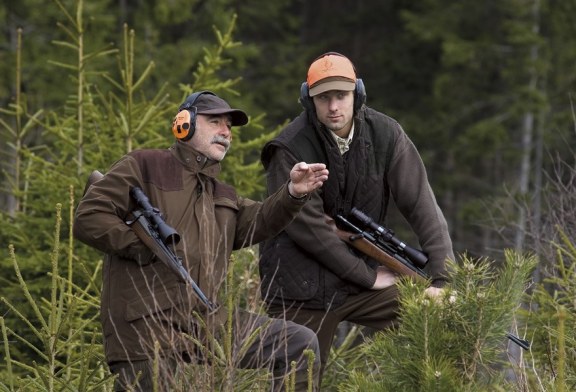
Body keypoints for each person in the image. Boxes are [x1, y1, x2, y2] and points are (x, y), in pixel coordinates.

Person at [74, 91, 329, 391]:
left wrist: (293, 193)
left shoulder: (221, 193)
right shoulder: (144, 165)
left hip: (204, 320)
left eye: (229, 127)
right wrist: (142, 246)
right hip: (144, 323)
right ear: (185, 124)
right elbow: (89, 217)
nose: (225, 131)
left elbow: (260, 221)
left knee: (300, 344)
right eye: (215, 122)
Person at [258, 52, 455, 380]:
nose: (333, 106)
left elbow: (422, 206)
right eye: (324, 98)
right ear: (310, 100)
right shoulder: (291, 147)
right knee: (298, 382)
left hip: (361, 284)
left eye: (341, 96)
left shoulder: (386, 134)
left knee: (436, 319)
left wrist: (442, 278)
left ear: (357, 94)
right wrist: (366, 275)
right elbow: (311, 230)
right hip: (302, 289)